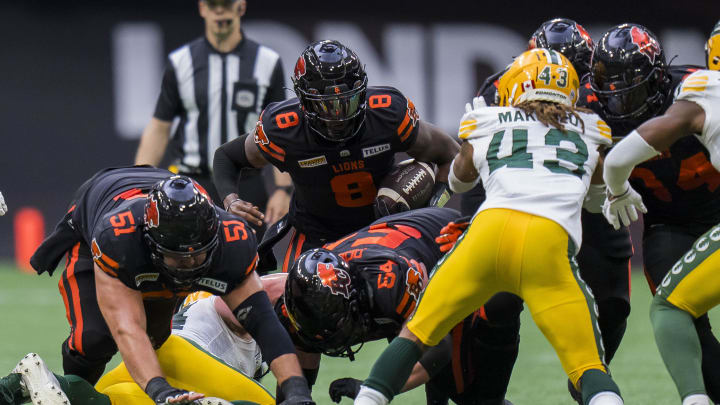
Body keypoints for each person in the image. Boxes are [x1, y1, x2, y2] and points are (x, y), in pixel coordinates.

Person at [353, 49, 624, 405]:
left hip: (488, 234)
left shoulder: (488, 119)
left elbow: (460, 181)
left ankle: (368, 399)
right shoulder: (591, 128)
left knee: (416, 334)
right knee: (588, 366)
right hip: (547, 243)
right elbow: (595, 197)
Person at [27, 167, 313, 404]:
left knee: (156, 339)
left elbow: (262, 319)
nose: (189, 263)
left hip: (157, 225)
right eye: (179, 257)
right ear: (152, 245)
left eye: (198, 253)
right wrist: (161, 392)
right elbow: (127, 329)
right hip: (97, 213)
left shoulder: (232, 239)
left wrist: (296, 388)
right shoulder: (119, 239)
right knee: (93, 339)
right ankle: (58, 390)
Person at [461, 18, 632, 404]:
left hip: (587, 200)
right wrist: (473, 219)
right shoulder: (500, 89)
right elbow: (474, 159)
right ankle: (488, 396)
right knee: (496, 304)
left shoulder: (603, 92)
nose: (559, 79)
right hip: (519, 201)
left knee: (614, 302)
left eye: (570, 69)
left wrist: (614, 189)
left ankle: (587, 379)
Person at [212, 39, 460, 270]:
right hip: (316, 235)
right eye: (326, 104)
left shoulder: (387, 114)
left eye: (347, 101)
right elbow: (226, 156)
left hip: (383, 230)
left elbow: (450, 154)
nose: (338, 114)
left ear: (362, 93)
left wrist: (428, 208)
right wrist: (231, 201)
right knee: (298, 307)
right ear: (304, 102)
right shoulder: (284, 129)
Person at [584, 23, 720, 402]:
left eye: (631, 87)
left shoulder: (696, 88)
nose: (618, 100)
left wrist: (614, 182)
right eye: (608, 87)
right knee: (681, 312)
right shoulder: (590, 109)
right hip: (668, 222)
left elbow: (616, 164)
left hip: (716, 209)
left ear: (658, 77)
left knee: (672, 309)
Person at [278, 207, 516, 405]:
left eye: (336, 324)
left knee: (473, 396)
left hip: (454, 247)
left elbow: (436, 346)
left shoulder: (388, 284)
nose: (328, 338)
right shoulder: (299, 298)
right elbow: (298, 372)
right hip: (406, 257)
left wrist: (373, 388)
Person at [134, 0, 291, 230]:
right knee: (188, 260)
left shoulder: (267, 62)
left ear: (241, 6)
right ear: (202, 8)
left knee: (247, 262)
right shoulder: (181, 62)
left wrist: (283, 190)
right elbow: (160, 126)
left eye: (226, 4)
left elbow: (279, 130)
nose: (219, 11)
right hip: (192, 184)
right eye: (213, 4)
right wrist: (138, 186)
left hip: (245, 183)